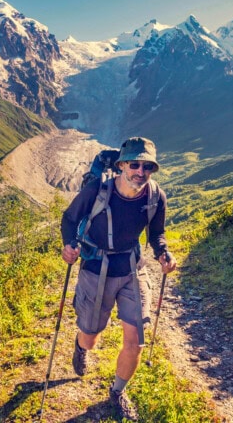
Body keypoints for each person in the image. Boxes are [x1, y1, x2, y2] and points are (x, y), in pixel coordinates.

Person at [61, 136, 177, 421]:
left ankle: (117, 392)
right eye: (135, 164)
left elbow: (156, 234)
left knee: (136, 340)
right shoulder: (97, 191)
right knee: (91, 336)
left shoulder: (155, 197)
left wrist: (163, 252)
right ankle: (81, 347)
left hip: (131, 269)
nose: (141, 171)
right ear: (122, 164)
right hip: (95, 267)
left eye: (147, 166)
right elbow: (69, 218)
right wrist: (69, 244)